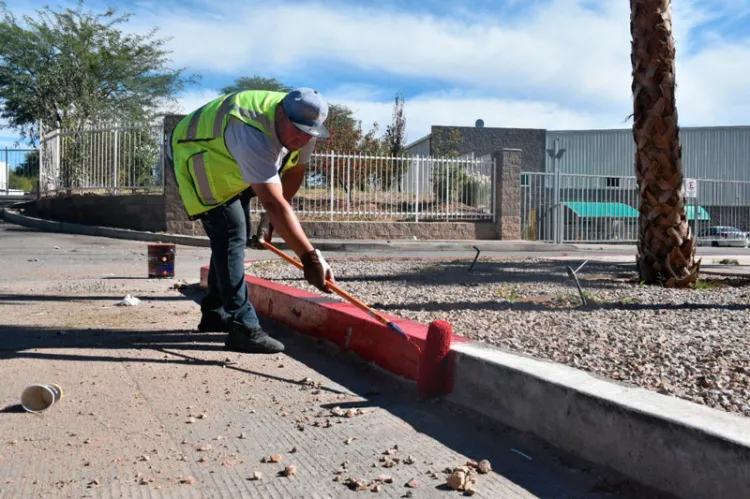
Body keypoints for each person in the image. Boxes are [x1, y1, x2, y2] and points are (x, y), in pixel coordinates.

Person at [167, 87, 336, 354]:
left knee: (231, 237)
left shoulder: (305, 129)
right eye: (296, 130)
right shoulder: (250, 130)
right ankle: (243, 328)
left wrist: (268, 221)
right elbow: (272, 200)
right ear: (280, 112)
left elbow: (294, 172)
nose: (301, 139)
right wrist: (310, 258)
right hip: (198, 156)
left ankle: (214, 311)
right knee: (232, 232)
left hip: (233, 163)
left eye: (308, 134)